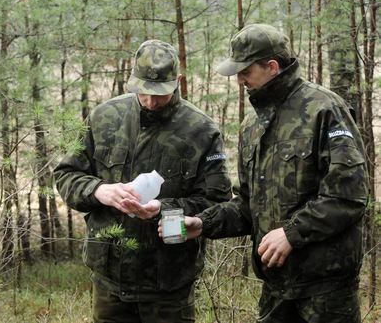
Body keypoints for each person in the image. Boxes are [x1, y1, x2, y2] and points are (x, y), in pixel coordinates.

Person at [159, 24, 368, 323]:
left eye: (245, 71)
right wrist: (202, 223)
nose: (239, 80)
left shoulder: (324, 109)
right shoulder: (252, 124)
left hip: (325, 289)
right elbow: (247, 205)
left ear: (272, 66)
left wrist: (292, 234)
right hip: (275, 286)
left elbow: (349, 196)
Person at [54, 39, 232, 323]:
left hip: (169, 283)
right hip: (110, 280)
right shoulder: (104, 117)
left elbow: (217, 204)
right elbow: (66, 174)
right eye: (144, 92)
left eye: (160, 94)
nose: (151, 101)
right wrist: (99, 190)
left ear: (178, 81)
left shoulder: (202, 130)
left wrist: (164, 208)